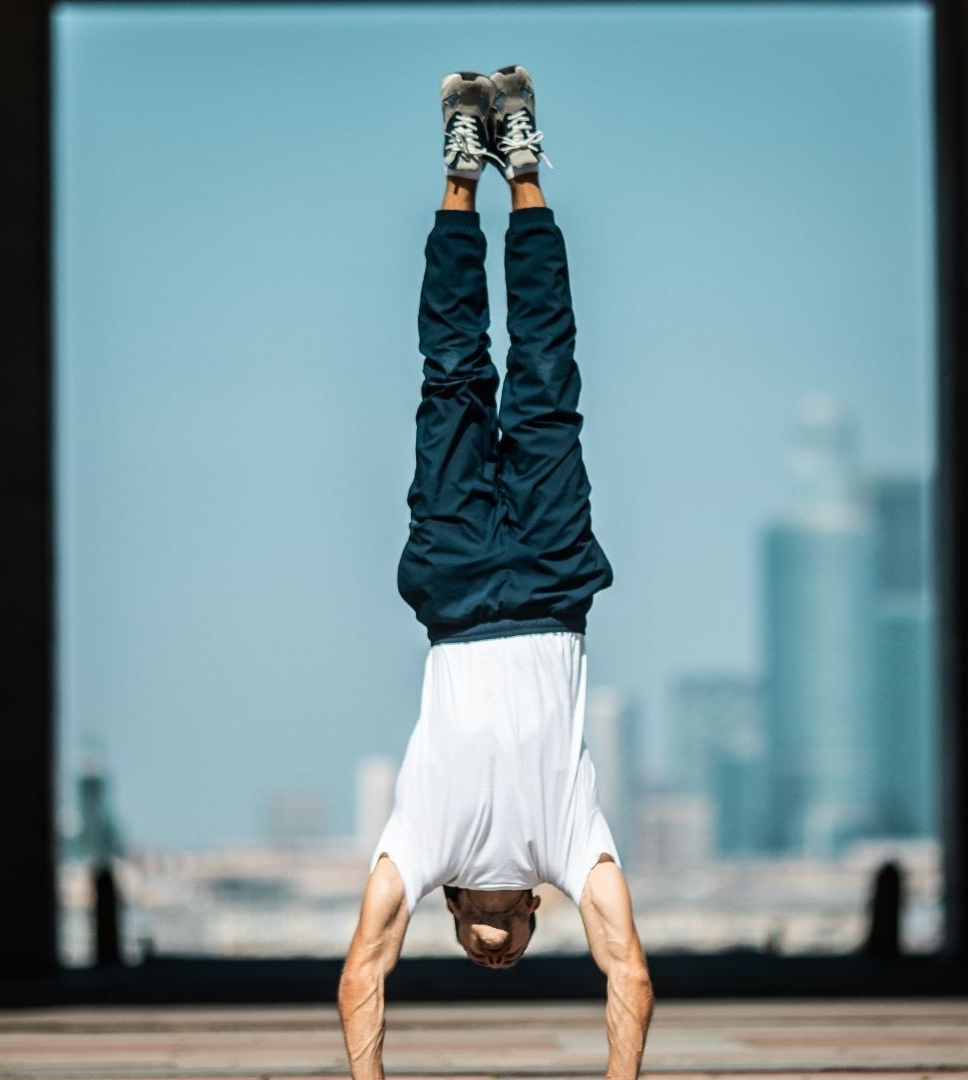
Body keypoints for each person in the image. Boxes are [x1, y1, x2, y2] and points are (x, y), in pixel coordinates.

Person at [336, 66, 655, 1080]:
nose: (495, 949)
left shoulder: (419, 844)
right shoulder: (570, 846)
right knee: (548, 380)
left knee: (455, 377)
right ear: (531, 909)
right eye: (509, 945)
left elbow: (361, 970)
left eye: (480, 949)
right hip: (555, 586)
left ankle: (458, 176)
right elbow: (629, 971)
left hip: (460, 590)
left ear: (453, 911)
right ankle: (522, 167)